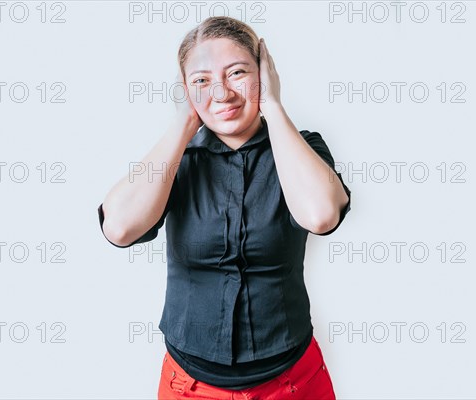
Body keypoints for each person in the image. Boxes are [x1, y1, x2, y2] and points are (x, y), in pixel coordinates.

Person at [97, 16, 351, 400]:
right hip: (189, 385)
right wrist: (185, 123)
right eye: (201, 80)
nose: (222, 92)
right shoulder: (175, 160)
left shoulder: (303, 148)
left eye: (237, 73)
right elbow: (118, 227)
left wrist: (273, 106)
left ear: (264, 74)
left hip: (292, 382)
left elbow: (321, 215)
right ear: (185, 89)